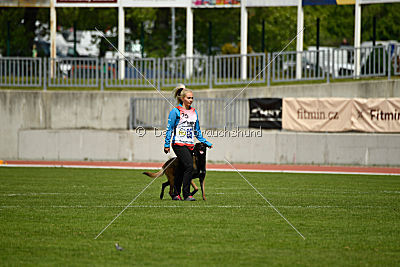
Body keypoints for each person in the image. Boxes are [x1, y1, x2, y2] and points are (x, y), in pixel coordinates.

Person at [164, 84, 212, 201]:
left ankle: (175, 194)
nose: (191, 100)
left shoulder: (194, 112)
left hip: (189, 145)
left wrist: (205, 142)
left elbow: (197, 131)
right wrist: (166, 144)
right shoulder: (175, 111)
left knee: (181, 169)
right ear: (182, 98)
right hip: (178, 144)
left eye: (192, 98)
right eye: (188, 98)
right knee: (189, 166)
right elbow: (169, 129)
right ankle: (186, 194)